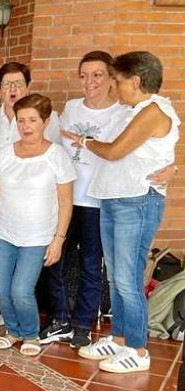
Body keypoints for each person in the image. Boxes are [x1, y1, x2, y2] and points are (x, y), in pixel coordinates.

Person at [66, 51, 181, 373]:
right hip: (115, 198)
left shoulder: (154, 110)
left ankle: (137, 348)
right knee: (116, 277)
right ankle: (118, 339)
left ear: (136, 80)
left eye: (117, 80)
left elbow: (115, 151)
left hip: (137, 200)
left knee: (128, 279)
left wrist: (84, 142)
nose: (114, 87)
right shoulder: (130, 110)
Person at [35, 51, 123, 349]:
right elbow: (55, 150)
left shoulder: (122, 113)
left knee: (90, 264)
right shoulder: (71, 108)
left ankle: (83, 324)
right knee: (53, 258)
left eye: (97, 75)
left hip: (98, 202)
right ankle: (60, 318)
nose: (89, 81)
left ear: (112, 78)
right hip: (66, 200)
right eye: (84, 75)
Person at [0, 93, 76, 356]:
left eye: (32, 120)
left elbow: (66, 203)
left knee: (21, 290)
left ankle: (30, 333)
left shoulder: (56, 156)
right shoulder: (6, 154)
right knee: (0, 288)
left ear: (45, 121)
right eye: (21, 120)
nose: (26, 126)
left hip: (37, 237)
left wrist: (58, 239)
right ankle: (13, 330)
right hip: (3, 233)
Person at [0, 62, 61, 154]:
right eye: (6, 84)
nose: (12, 89)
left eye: (19, 83)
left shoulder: (47, 116)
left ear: (28, 87)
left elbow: (56, 152)